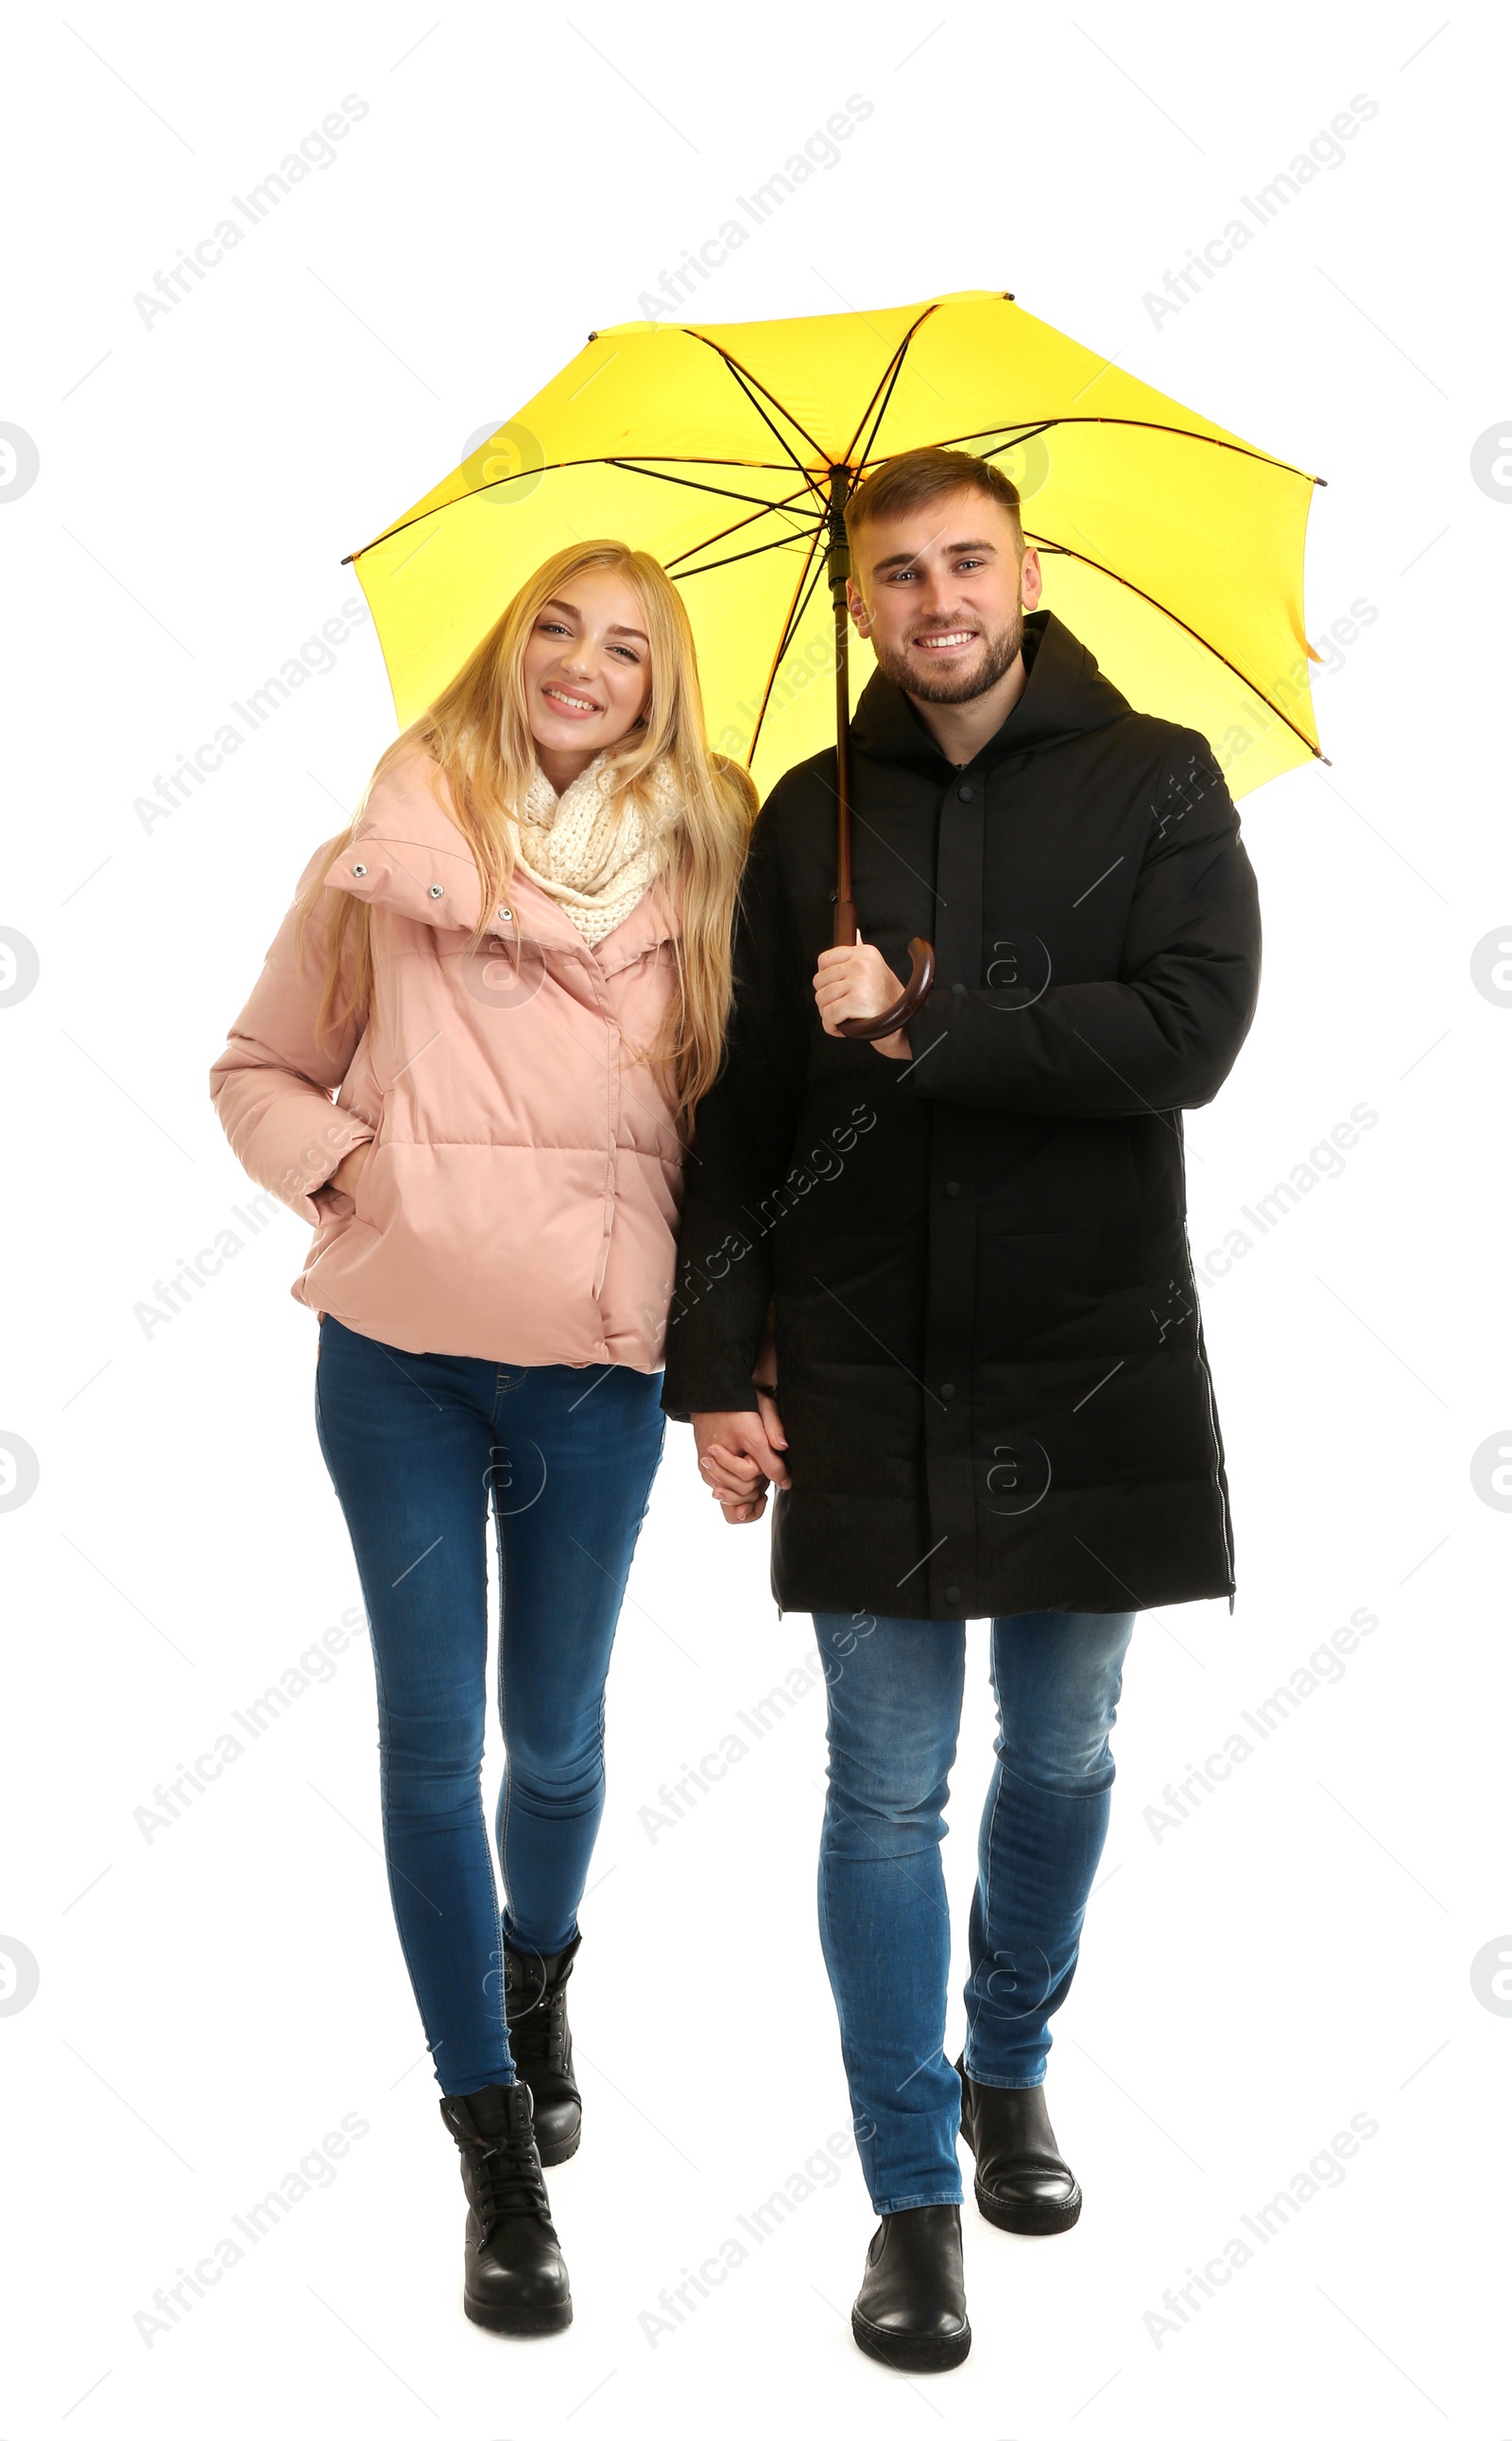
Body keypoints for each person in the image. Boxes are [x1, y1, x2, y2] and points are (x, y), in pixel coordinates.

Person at [662, 447, 1262, 2373]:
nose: (936, 599)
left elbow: (1187, 1033)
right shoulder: (809, 818)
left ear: (1024, 570)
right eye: (896, 573)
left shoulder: (1157, 773)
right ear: (854, 602)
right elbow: (742, 1103)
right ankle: (908, 2197)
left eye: (965, 562)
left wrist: (925, 1019)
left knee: (1063, 1748)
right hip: (858, 1351)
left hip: (1083, 1348)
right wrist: (709, 1361)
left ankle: (1007, 2059)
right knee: (882, 1785)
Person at [210, 541, 753, 2337]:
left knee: (563, 1740)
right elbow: (255, 1070)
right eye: (556, 628)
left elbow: (748, 1144)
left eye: (627, 647)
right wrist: (362, 1177)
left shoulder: (721, 863)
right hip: (400, 1364)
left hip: (595, 1370)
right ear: (506, 646)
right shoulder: (386, 849)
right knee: (432, 1744)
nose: (585, 666)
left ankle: (539, 1977)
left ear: (666, 686)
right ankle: (492, 2141)